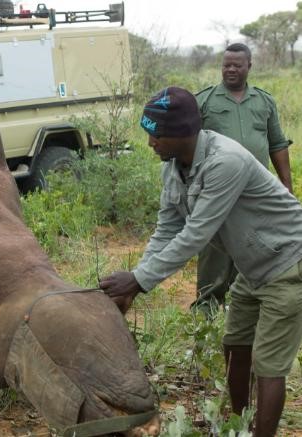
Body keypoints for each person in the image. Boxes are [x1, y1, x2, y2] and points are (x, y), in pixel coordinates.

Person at [100, 87, 302, 437]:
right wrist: (137, 278)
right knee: (235, 345)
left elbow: (195, 235)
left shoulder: (226, 162)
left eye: (157, 135)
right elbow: (167, 229)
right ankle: (243, 424)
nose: (151, 143)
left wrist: (138, 281)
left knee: (269, 365)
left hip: (288, 263)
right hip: (253, 269)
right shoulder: (174, 167)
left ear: (183, 134)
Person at [193, 42, 293, 312]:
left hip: (256, 194)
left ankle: (243, 308)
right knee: (214, 252)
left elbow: (277, 144)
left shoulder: (264, 101)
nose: (231, 69)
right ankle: (206, 310)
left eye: (237, 65)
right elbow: (189, 147)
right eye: (226, 65)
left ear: (250, 66)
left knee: (253, 247)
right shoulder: (204, 101)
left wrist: (286, 186)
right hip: (217, 191)